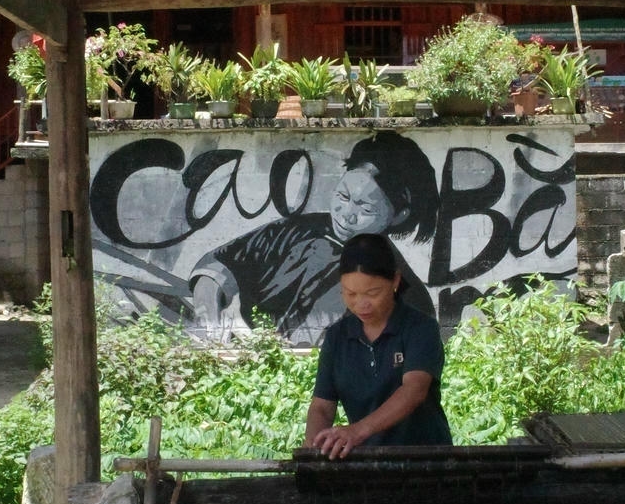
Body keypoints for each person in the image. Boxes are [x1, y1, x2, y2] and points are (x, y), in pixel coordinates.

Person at [190, 131, 439, 341]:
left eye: (365, 209)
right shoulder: (295, 230)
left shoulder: (408, 297)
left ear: (399, 215)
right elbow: (215, 266)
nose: (346, 215)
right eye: (343, 196)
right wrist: (210, 324)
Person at [303, 233, 453, 458]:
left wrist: (357, 431)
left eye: (372, 293)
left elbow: (414, 390)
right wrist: (313, 447)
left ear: (395, 281)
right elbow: (322, 407)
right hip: (365, 463)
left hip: (426, 460)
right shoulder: (336, 337)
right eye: (350, 293)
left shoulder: (420, 328)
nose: (361, 304)